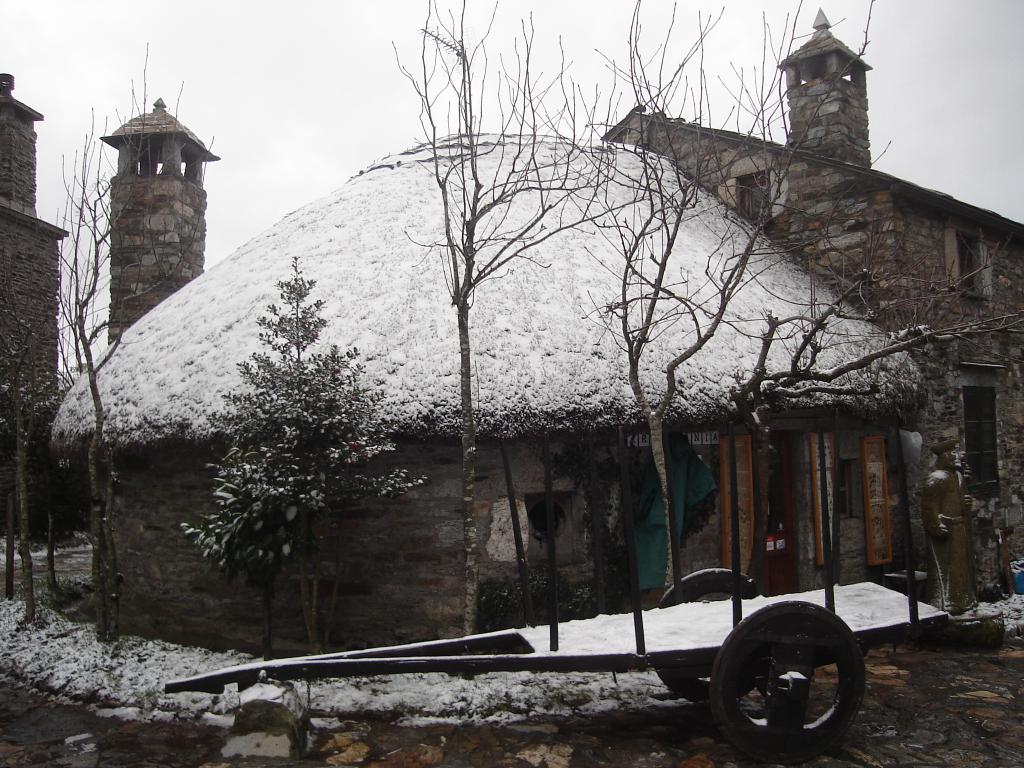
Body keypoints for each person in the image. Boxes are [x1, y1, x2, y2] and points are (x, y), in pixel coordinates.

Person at [922, 439, 977, 614]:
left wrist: (967, 502)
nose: (957, 456)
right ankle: (946, 601)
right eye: (953, 452)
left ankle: (963, 599)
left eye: (957, 452)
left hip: (959, 528)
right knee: (946, 568)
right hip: (947, 528)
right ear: (944, 455)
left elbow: (962, 499)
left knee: (960, 567)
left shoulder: (958, 476)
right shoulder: (936, 479)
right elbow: (929, 507)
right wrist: (935, 524)